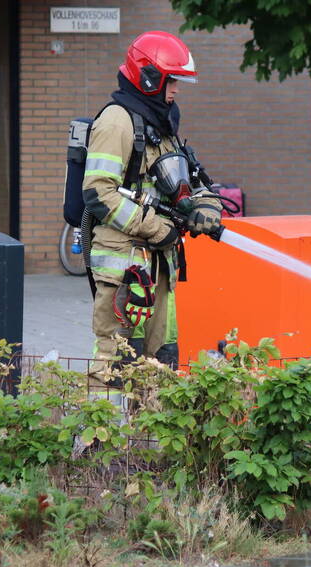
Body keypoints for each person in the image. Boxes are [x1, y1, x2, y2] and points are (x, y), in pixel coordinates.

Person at [82, 31, 222, 383]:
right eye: (171, 81)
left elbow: (184, 177)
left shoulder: (160, 121)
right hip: (124, 268)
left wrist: (205, 206)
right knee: (115, 364)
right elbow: (99, 192)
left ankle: (148, 438)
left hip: (158, 266)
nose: (175, 90)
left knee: (159, 364)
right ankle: (100, 437)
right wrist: (156, 228)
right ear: (149, 76)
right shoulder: (117, 121)